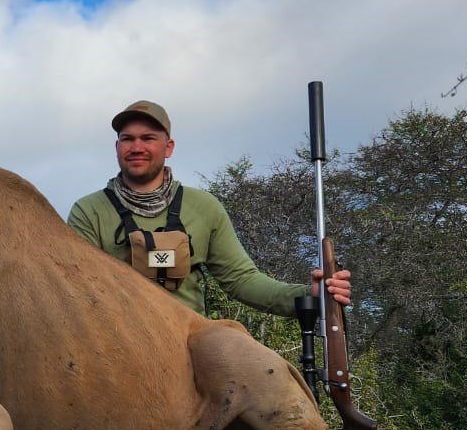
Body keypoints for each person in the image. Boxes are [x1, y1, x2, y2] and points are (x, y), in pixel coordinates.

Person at [66, 100, 351, 317]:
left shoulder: (203, 207)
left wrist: (309, 295)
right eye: (127, 139)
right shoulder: (88, 211)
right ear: (117, 147)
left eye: (148, 138)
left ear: (169, 147)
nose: (136, 147)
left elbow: (242, 280)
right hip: (116, 343)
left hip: (190, 345)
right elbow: (78, 289)